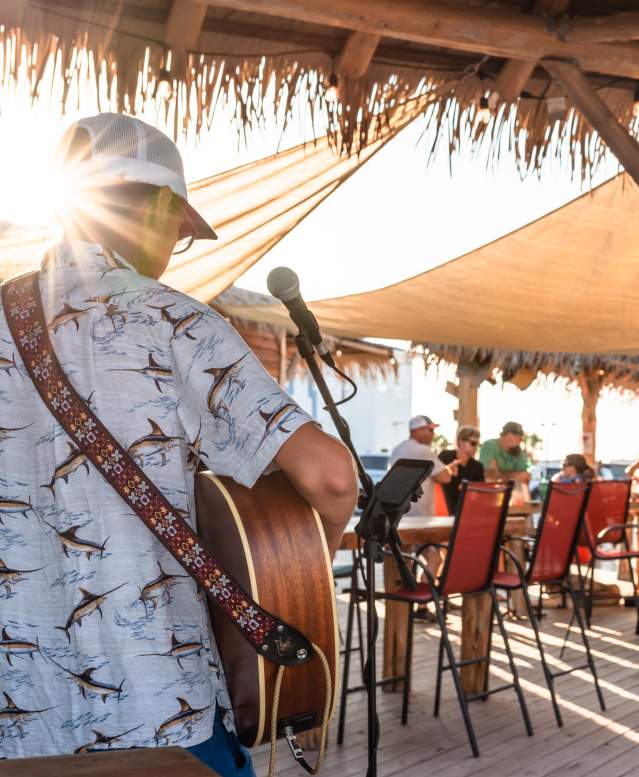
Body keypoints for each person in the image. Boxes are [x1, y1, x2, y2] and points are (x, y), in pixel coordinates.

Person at [0, 114, 358, 772]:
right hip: (161, 711)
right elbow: (330, 477)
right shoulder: (172, 317)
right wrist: (298, 577)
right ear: (162, 205)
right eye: (181, 231)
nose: (174, 250)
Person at [389, 414, 458, 516]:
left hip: (399, 515)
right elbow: (445, 478)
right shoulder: (424, 451)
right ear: (417, 430)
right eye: (430, 430)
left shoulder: (397, 450)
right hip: (419, 516)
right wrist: (450, 469)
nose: (433, 434)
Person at [439, 425, 485, 513]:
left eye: (477, 444)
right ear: (461, 442)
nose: (476, 447)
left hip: (467, 513)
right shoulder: (445, 456)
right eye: (473, 443)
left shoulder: (478, 467)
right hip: (443, 511)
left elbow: (480, 494)